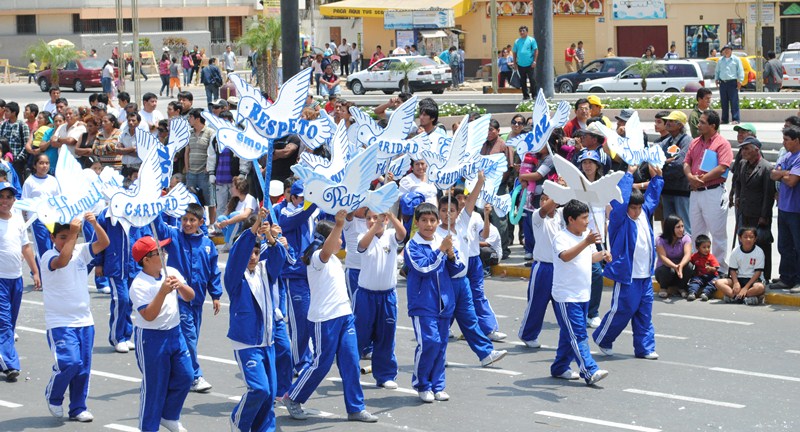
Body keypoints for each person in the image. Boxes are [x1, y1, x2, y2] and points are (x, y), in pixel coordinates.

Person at [282, 211, 379, 423]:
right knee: (321, 364)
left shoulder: (334, 259)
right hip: (324, 319)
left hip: (345, 316)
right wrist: (338, 225)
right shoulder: (317, 258)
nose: (341, 240)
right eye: (338, 236)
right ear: (328, 239)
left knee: (351, 361)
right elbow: (325, 250)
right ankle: (293, 397)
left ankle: (355, 408)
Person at [41, 213, 109, 422]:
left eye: (67, 236)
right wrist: (73, 232)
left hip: (84, 321)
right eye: (61, 236)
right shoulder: (47, 257)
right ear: (53, 238)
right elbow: (62, 261)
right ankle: (53, 395)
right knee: (70, 362)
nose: (65, 239)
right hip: (60, 323)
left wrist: (94, 223)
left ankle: (78, 407)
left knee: (82, 369)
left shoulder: (80, 251)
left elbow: (104, 242)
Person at [224, 207, 286, 432]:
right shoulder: (235, 276)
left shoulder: (264, 271)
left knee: (269, 395)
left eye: (256, 252)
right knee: (259, 389)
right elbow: (238, 254)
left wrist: (270, 236)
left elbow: (280, 258)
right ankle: (238, 422)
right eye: (250, 252)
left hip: (267, 341)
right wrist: (254, 226)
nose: (252, 256)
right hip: (247, 342)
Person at [593, 164, 663, 359]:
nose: (637, 211)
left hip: (645, 276)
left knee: (644, 313)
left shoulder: (644, 215)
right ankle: (603, 338)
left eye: (639, 208)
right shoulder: (618, 220)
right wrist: (629, 175)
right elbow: (621, 202)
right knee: (622, 310)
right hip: (627, 275)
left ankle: (645, 348)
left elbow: (651, 198)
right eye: (633, 208)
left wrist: (658, 178)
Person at [151, 203, 222, 393]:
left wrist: (216, 295)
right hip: (178, 299)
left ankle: (177, 372)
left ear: (201, 222)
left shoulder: (207, 245)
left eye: (192, 220)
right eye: (184, 219)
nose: (187, 223)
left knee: (191, 338)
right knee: (189, 337)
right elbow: (159, 227)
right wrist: (152, 204)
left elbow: (214, 271)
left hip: (197, 300)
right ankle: (194, 376)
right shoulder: (175, 236)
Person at [129, 236, 195, 432]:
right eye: (159, 251)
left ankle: (169, 415)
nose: (164, 253)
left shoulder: (171, 271)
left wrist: (180, 286)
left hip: (175, 333)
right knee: (154, 386)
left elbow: (190, 296)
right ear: (146, 259)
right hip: (152, 338)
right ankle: (148, 427)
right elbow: (149, 315)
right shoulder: (139, 284)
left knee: (186, 376)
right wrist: (162, 292)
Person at [404, 203, 464, 402]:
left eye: (432, 220)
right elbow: (423, 269)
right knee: (429, 342)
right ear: (417, 222)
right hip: (423, 304)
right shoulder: (412, 245)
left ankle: (438, 385)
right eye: (424, 220)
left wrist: (451, 255)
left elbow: (457, 270)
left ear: (438, 222)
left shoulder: (442, 240)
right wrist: (440, 251)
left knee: (441, 346)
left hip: (444, 303)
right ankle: (422, 384)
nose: (428, 225)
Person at [551, 199, 610, 385]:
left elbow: (589, 257)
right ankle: (589, 370)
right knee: (578, 335)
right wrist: (586, 242)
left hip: (583, 294)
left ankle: (560, 367)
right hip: (566, 296)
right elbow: (566, 256)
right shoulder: (561, 237)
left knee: (568, 335)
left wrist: (601, 255)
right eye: (583, 218)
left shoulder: (586, 237)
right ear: (571, 219)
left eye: (587, 217)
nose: (587, 221)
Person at [354, 209, 406, 388]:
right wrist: (375, 225)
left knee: (386, 336)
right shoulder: (363, 235)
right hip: (365, 296)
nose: (371, 221)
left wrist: (391, 217)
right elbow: (362, 244)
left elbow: (403, 234)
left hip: (387, 296)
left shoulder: (391, 235)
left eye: (376, 217)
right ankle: (350, 371)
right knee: (360, 335)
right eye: (368, 218)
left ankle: (385, 375)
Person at [0, 181, 40, 382]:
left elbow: (26, 247)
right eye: (1, 197)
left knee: (11, 323)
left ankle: (3, 357)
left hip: (15, 279)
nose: (5, 201)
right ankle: (10, 365)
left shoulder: (16, 220)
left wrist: (34, 271)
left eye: (9, 197)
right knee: (4, 324)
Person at [684, 110, 732, 274]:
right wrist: (690, 177)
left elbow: (723, 167)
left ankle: (719, 270)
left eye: (703, 122)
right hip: (696, 193)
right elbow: (686, 162)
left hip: (713, 192)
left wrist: (701, 180)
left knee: (717, 234)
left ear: (713, 126)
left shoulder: (722, 143)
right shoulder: (695, 142)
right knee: (697, 232)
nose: (698, 125)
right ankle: (699, 269)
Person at [518, 192, 560, 348]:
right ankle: (528, 334)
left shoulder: (562, 216)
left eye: (548, 198)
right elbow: (545, 209)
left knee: (563, 305)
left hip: (561, 268)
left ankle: (570, 334)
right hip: (543, 268)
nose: (545, 202)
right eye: (543, 199)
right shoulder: (537, 217)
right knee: (537, 304)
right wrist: (559, 191)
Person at [732, 136, 775, 281]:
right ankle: (747, 273)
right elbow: (738, 182)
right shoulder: (743, 164)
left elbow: (768, 195)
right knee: (745, 243)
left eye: (746, 149)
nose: (743, 152)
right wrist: (737, 197)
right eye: (742, 149)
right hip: (744, 211)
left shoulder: (766, 167)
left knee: (762, 245)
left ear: (756, 150)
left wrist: (764, 216)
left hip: (759, 214)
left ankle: (765, 276)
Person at [769, 126, 800, 292]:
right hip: (783, 208)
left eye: (787, 140)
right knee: (784, 245)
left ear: (796, 140)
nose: (784, 143)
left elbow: (792, 181)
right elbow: (773, 174)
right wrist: (783, 173)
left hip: (796, 210)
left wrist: (782, 173)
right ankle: (786, 277)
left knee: (798, 246)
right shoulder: (786, 155)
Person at [21, 154, 58, 263]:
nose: (44, 166)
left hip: (52, 218)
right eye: (41, 163)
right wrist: (24, 220)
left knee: (52, 245)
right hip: (37, 219)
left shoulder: (53, 180)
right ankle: (41, 273)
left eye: (47, 163)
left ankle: (41, 270)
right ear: (35, 165)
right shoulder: (29, 182)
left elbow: (58, 200)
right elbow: (24, 202)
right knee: (43, 247)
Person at [714, 227, 766, 305]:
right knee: (718, 282)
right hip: (738, 279)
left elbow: (758, 272)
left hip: (753, 280)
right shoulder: (735, 251)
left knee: (760, 288)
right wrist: (736, 283)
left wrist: (745, 288)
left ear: (755, 239)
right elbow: (732, 270)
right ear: (740, 238)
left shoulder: (759, 252)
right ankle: (742, 298)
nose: (748, 239)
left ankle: (735, 297)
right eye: (745, 237)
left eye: (751, 237)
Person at [660, 110, 693, 233]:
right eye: (667, 120)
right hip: (667, 190)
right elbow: (653, 159)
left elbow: (680, 165)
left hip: (682, 191)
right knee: (669, 227)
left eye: (671, 121)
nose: (667, 123)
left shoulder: (687, 141)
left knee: (684, 226)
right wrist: (665, 162)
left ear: (680, 125)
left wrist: (661, 169)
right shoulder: (667, 141)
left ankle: (687, 251)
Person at [714, 45, 744, 125]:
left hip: (732, 83)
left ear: (731, 51)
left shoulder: (736, 60)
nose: (726, 51)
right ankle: (724, 119)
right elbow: (717, 70)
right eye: (725, 50)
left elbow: (740, 71)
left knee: (734, 101)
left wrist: (740, 81)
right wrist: (716, 79)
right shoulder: (720, 60)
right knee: (724, 102)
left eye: (728, 49)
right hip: (723, 83)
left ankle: (735, 119)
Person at [686, 234, 720, 301]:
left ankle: (705, 293)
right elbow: (689, 261)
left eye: (708, 247)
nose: (707, 249)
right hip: (699, 276)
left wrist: (711, 268)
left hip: (711, 276)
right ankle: (692, 293)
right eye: (704, 247)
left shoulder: (711, 257)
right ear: (697, 248)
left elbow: (716, 268)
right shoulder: (695, 256)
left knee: (714, 283)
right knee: (694, 281)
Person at [512, 26, 538, 100]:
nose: (521, 32)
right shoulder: (517, 41)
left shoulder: (531, 40)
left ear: (527, 31)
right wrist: (514, 63)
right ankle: (525, 96)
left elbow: (536, 51)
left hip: (530, 64)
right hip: (520, 65)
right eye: (520, 31)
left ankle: (534, 95)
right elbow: (514, 52)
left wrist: (534, 61)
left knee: (532, 80)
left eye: (523, 31)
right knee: (522, 81)